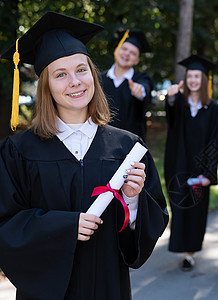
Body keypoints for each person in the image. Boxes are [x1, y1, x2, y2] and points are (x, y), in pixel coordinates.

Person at [0, 12, 168, 299]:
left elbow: (147, 232)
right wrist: (65, 227)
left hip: (108, 286)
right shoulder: (18, 151)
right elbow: (6, 225)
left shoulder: (127, 148)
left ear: (93, 74)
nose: (75, 82)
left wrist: (132, 200)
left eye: (81, 70)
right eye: (60, 74)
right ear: (46, 86)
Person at [164, 54, 218, 271]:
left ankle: (190, 253)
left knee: (196, 208)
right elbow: (171, 119)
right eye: (190, 76)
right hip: (177, 162)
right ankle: (180, 243)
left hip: (201, 165)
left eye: (197, 76)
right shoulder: (178, 102)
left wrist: (208, 172)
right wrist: (170, 98)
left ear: (204, 79)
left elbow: (215, 140)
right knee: (180, 206)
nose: (193, 80)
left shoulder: (213, 108)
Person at [101, 29, 154, 140]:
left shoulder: (141, 79)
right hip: (101, 141)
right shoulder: (99, 79)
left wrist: (140, 91)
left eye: (133, 53)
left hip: (130, 144)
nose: (127, 54)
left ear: (137, 60)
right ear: (116, 50)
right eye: (124, 49)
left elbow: (145, 88)